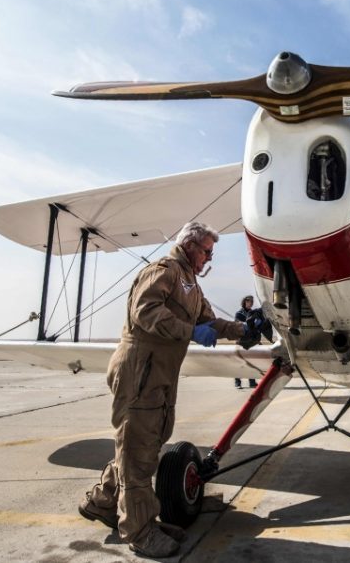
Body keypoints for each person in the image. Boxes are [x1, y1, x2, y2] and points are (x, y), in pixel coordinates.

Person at [78, 222, 260, 558]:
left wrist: (241, 329)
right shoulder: (163, 271)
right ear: (190, 246)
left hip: (160, 372)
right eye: (206, 251)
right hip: (140, 369)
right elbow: (145, 312)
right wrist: (191, 332)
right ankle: (140, 532)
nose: (209, 258)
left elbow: (208, 323)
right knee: (137, 451)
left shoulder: (190, 284)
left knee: (145, 442)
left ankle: (103, 503)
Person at [233, 295, 263, 389]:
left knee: (251, 362)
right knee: (240, 363)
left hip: (250, 341)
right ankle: (237, 382)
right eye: (249, 301)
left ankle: (252, 382)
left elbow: (255, 328)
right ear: (245, 302)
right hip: (241, 341)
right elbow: (238, 327)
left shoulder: (253, 313)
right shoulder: (239, 314)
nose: (251, 303)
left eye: (252, 302)